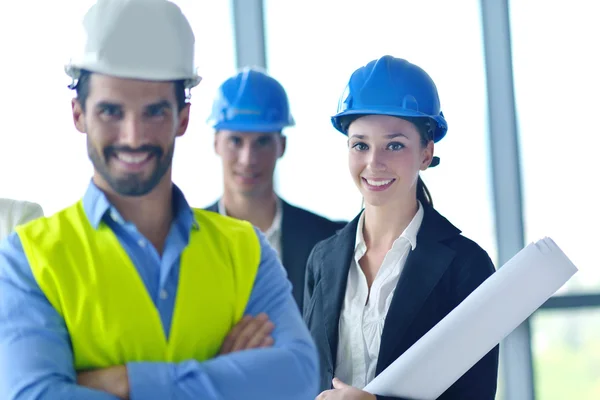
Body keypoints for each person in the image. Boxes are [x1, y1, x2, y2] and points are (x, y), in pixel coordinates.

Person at [0, 1, 318, 399]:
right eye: (111, 112)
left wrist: (124, 382)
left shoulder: (245, 249)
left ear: (182, 118)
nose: (133, 136)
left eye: (153, 112)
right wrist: (223, 377)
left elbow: (299, 375)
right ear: (78, 114)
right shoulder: (28, 260)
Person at [303, 55, 499, 400]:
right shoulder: (322, 260)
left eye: (395, 145)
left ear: (426, 153)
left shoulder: (466, 266)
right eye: (360, 144)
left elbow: (475, 394)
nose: (373, 163)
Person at [206, 67, 346, 310]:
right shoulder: (184, 237)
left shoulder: (329, 241)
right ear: (216, 143)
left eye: (262, 142)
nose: (248, 158)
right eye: (236, 141)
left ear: (281, 146)